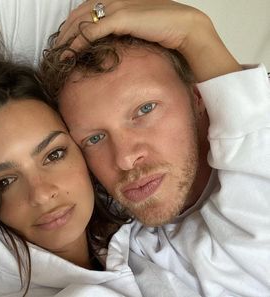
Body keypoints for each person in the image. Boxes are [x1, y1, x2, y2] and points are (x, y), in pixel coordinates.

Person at [0, 22, 202, 295]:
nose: (42, 194)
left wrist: (197, 34)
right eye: (5, 181)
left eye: (54, 154)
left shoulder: (146, 231)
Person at [40, 0, 270, 296]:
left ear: (198, 96)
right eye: (94, 139)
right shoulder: (115, 245)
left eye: (145, 109)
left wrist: (197, 34)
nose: (124, 158)